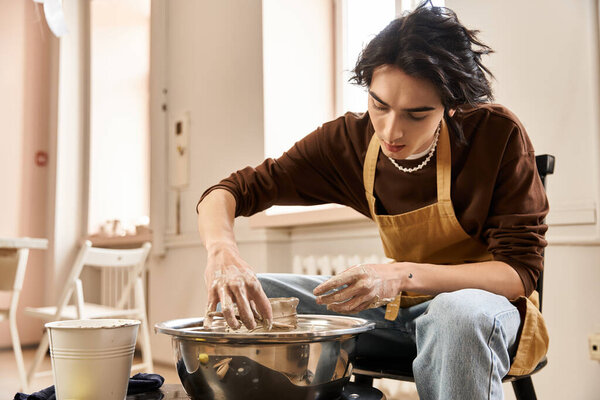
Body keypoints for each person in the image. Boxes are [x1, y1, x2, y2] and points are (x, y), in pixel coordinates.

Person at [196, 2, 549, 399]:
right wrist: (222, 252)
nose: (391, 131)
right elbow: (227, 192)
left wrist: (398, 274)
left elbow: (518, 274)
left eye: (417, 114)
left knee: (456, 313)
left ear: (451, 106)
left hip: (481, 315)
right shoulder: (349, 142)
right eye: (380, 105)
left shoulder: (494, 135)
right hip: (396, 313)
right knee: (252, 292)